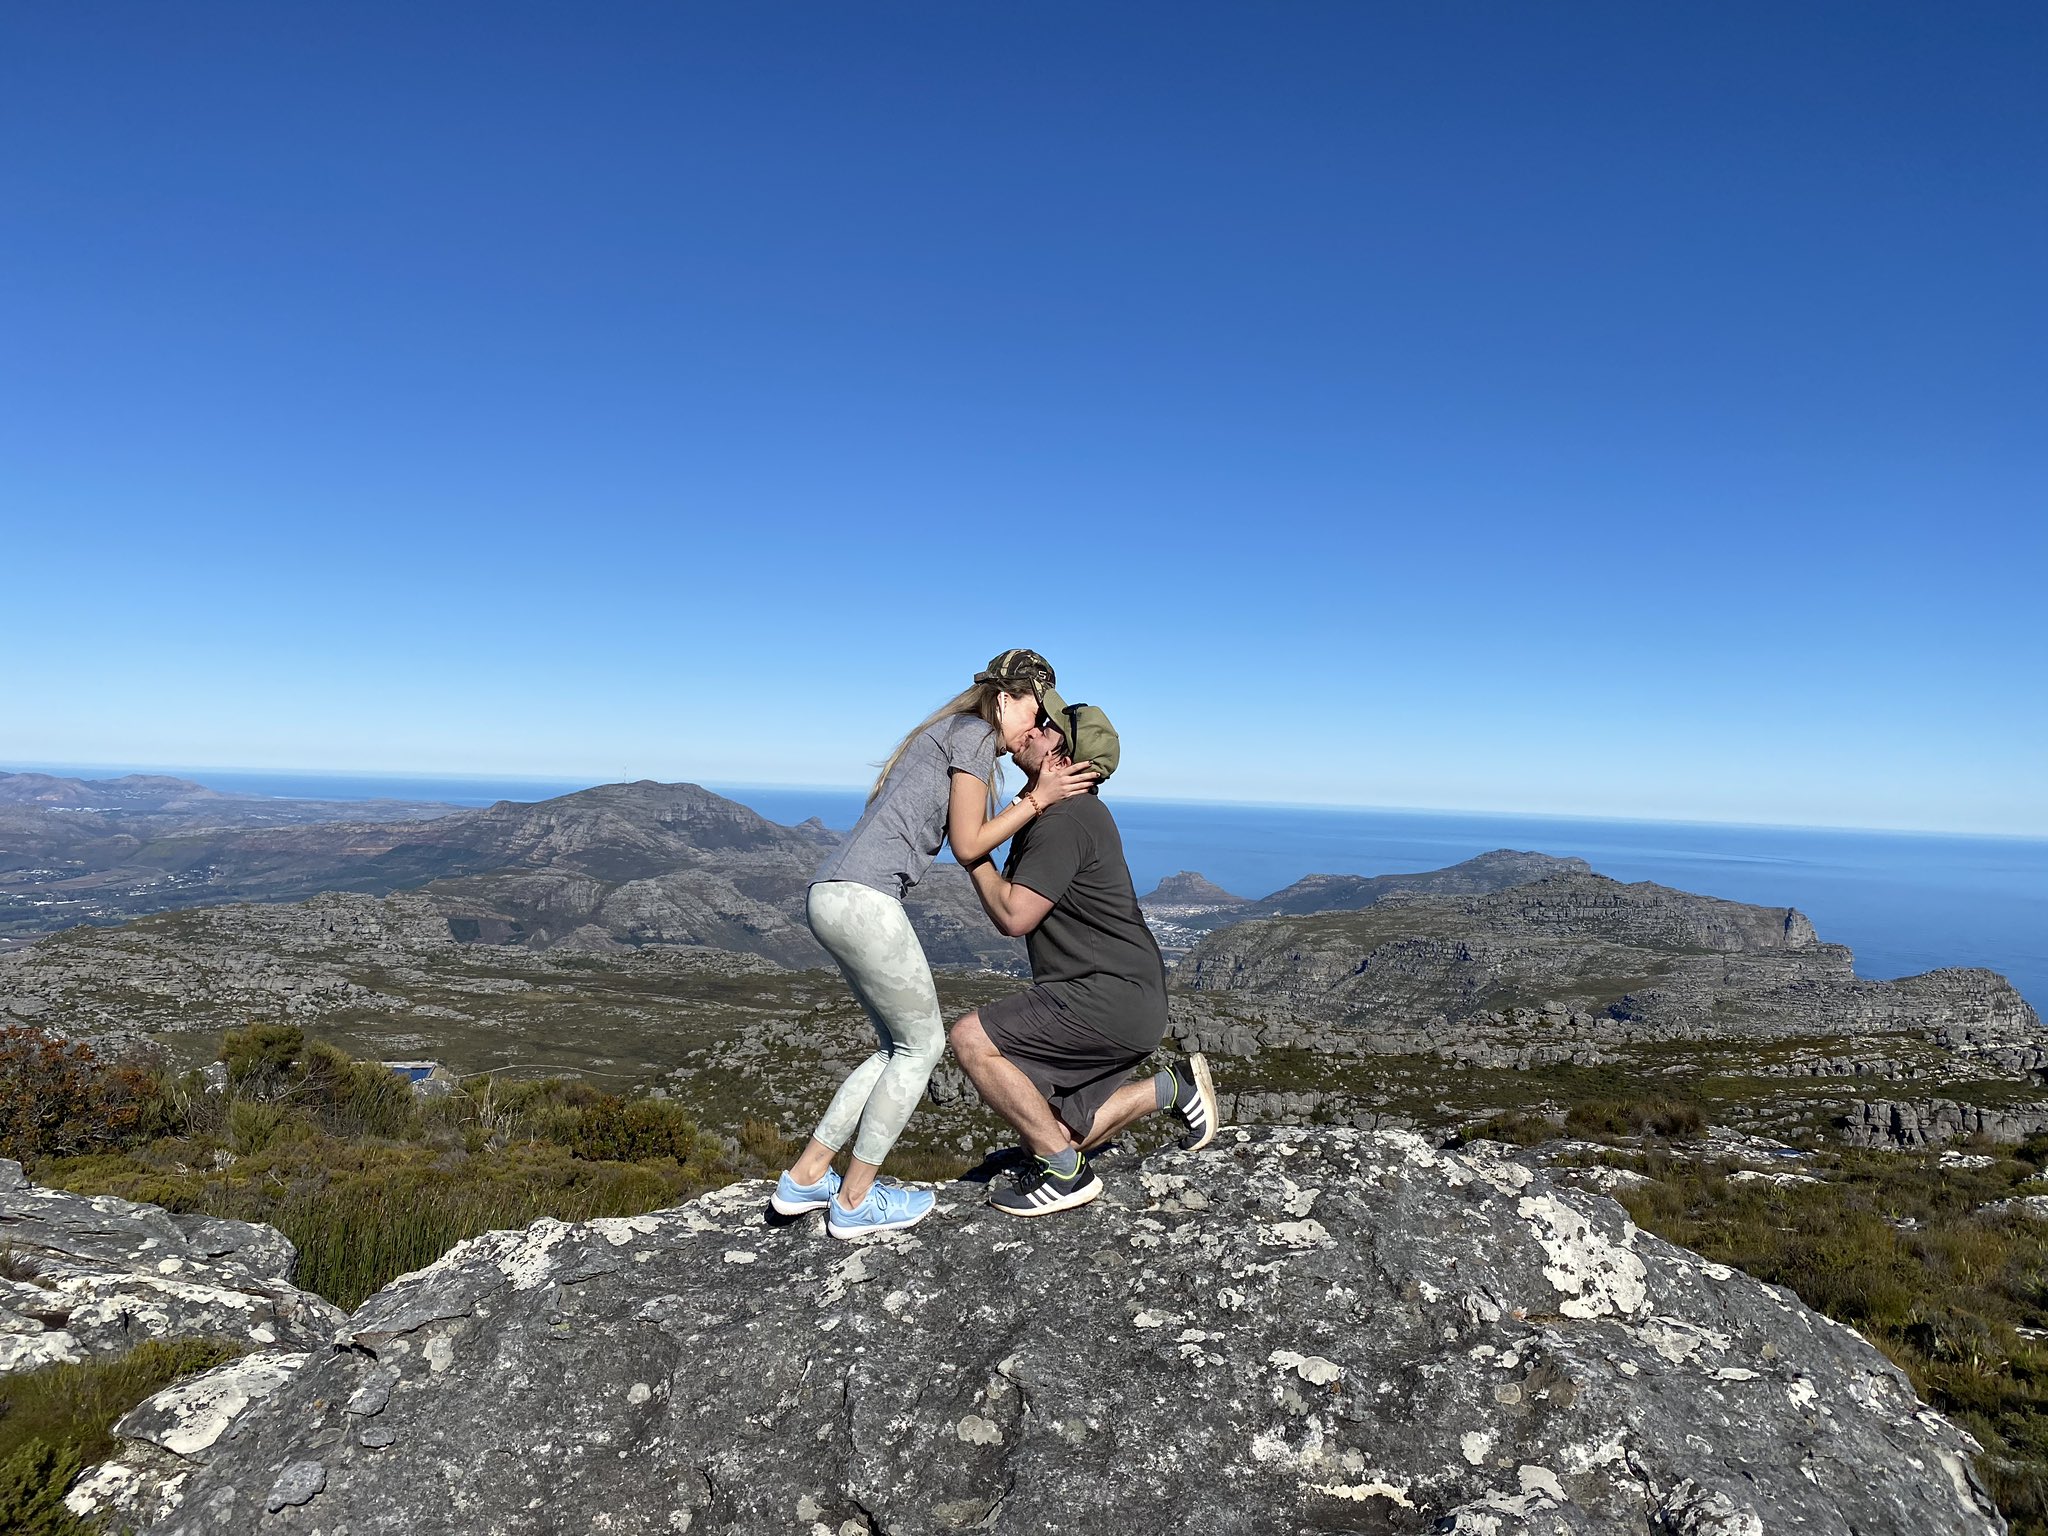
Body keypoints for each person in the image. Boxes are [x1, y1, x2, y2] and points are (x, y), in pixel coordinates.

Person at [770, 649, 1099, 1239]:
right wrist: (1038, 800)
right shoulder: (973, 735)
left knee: (893, 1048)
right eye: (1034, 712)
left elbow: (960, 838)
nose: (1039, 728)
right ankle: (854, 1201)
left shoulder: (949, 733)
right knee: (922, 1048)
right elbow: (970, 844)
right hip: (866, 898)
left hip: (832, 892)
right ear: (1004, 699)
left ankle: (804, 1178)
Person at [949, 697, 1219, 1217]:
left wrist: (973, 855)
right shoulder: (1058, 813)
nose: (1031, 731)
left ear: (1067, 758)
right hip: (1127, 999)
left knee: (970, 1039)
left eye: (1047, 729)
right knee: (1049, 1134)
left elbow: (1013, 917)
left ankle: (1067, 1179)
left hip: (1103, 995)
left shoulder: (1067, 821)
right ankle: (1170, 1090)